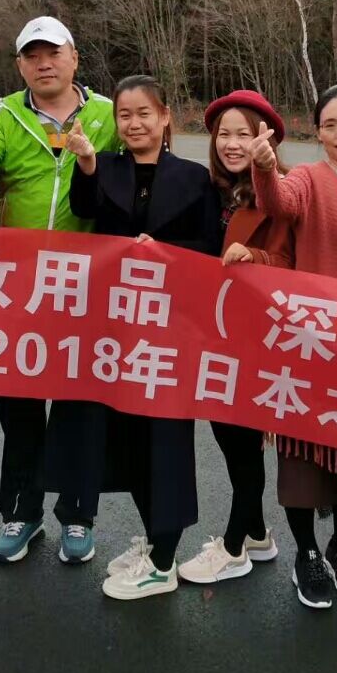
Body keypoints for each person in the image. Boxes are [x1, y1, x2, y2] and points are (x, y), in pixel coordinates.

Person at [0, 15, 119, 565]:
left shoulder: (107, 114)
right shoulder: (5, 114)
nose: (43, 64)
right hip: (21, 287)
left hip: (88, 286)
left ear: (74, 57)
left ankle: (78, 516)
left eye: (53, 53)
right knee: (19, 406)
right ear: (19, 65)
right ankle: (22, 512)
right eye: (32, 56)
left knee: (79, 406)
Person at [65, 75, 222, 599]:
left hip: (171, 331)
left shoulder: (194, 178)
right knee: (128, 437)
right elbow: (85, 209)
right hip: (117, 330)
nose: (133, 124)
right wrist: (87, 164)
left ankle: (164, 558)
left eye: (143, 113)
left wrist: (165, 253)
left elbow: (211, 247)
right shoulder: (106, 166)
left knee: (167, 440)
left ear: (165, 116)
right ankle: (154, 540)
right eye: (124, 115)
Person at [249, 84, 337, 610]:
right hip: (312, 338)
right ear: (317, 132)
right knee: (301, 452)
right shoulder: (309, 177)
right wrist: (263, 168)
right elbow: (279, 200)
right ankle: (306, 553)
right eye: (330, 125)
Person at [175, 91, 290, 585]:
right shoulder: (209, 190)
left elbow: (291, 263)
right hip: (211, 334)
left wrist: (255, 259)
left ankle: (235, 545)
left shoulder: (281, 193)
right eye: (225, 134)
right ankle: (259, 533)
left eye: (245, 133)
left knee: (242, 444)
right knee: (228, 439)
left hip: (254, 339)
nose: (233, 143)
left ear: (267, 138)